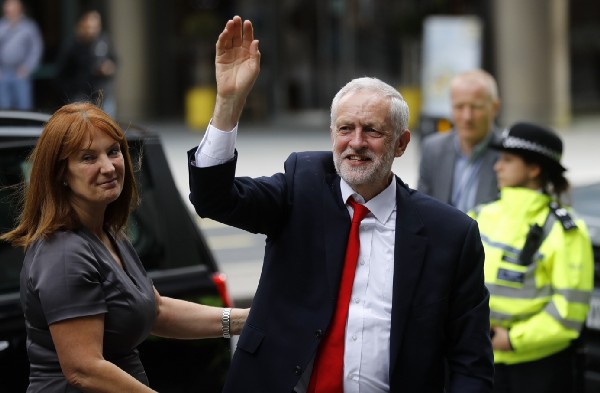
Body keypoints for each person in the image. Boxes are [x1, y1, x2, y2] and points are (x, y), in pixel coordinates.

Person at [187, 16, 494, 392]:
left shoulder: (451, 234)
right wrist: (228, 103)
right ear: (332, 134)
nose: (357, 142)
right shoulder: (302, 186)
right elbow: (213, 199)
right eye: (346, 128)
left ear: (401, 143)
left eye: (373, 131)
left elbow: (471, 364)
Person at [0, 102, 248, 392]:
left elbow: (156, 310)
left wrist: (250, 320)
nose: (108, 167)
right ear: (61, 174)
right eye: (88, 158)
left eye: (113, 151)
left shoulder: (108, 232)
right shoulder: (65, 253)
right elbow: (84, 369)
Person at [468, 122, 594, 393]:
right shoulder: (479, 216)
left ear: (534, 169)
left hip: (537, 369)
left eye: (508, 160)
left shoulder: (565, 231)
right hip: (479, 360)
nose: (497, 167)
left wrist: (513, 339)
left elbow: (569, 312)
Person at [418, 69, 502, 212]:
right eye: (459, 107)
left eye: (476, 107)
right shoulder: (432, 149)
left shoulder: (508, 155)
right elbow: (420, 209)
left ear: (494, 108)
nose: (467, 116)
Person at [55, 10, 117, 118]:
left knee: (107, 130)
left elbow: (114, 60)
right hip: (81, 98)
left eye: (96, 26)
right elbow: (61, 74)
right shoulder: (72, 46)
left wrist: (109, 67)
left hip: (103, 95)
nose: (92, 30)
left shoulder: (103, 41)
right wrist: (73, 92)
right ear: (82, 25)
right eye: (89, 26)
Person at [0, 0, 43, 110]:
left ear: (19, 8)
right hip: (3, 72)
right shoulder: (2, 25)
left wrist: (27, 67)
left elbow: (36, 49)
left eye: (11, 6)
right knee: (4, 109)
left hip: (20, 73)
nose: (8, 9)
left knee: (24, 107)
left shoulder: (29, 26)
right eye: (7, 6)